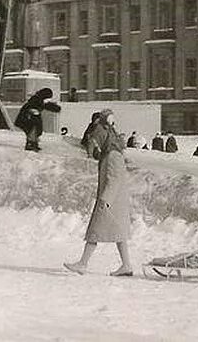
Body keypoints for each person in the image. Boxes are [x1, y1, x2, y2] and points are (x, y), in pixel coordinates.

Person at [65, 109, 134, 276]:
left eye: (96, 140)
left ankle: (83, 264)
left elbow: (114, 178)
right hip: (114, 201)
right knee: (118, 234)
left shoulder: (112, 156)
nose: (95, 144)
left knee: (94, 231)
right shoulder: (113, 152)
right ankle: (126, 266)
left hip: (110, 201)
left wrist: (105, 199)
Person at [14, 87, 61, 152]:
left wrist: (56, 108)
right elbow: (42, 106)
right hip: (27, 118)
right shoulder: (36, 99)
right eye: (48, 98)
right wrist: (55, 108)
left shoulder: (39, 99)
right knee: (32, 130)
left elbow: (45, 105)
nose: (48, 100)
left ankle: (34, 143)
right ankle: (30, 144)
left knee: (35, 130)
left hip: (30, 118)